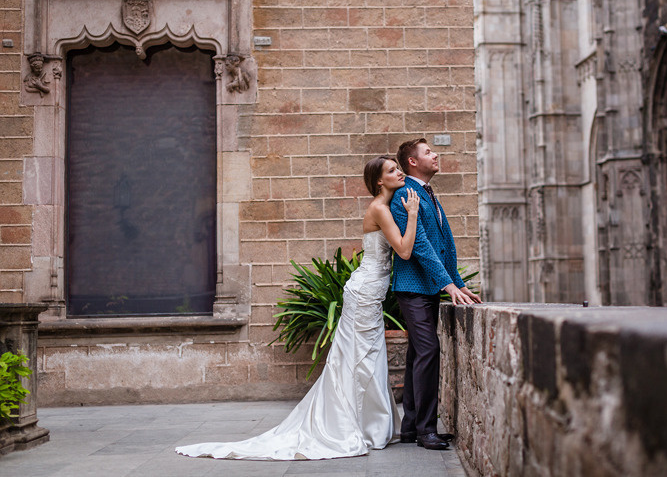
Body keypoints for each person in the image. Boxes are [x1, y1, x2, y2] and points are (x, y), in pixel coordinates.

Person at [175, 156, 419, 460]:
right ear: (379, 181)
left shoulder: (385, 206)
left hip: (369, 290)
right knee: (361, 357)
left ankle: (369, 425)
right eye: (393, 170)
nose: (400, 173)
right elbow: (405, 250)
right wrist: (412, 214)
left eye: (399, 168)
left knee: (365, 356)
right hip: (365, 292)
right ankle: (353, 426)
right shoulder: (380, 209)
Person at [390, 138, 482, 451]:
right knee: (429, 350)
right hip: (412, 288)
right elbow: (419, 246)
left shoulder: (428, 192)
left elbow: (445, 242)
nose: (436, 154)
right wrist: (447, 284)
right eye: (428, 152)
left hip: (428, 287)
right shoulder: (406, 193)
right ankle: (426, 429)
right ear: (412, 162)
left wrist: (458, 280)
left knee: (419, 353)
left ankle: (411, 428)